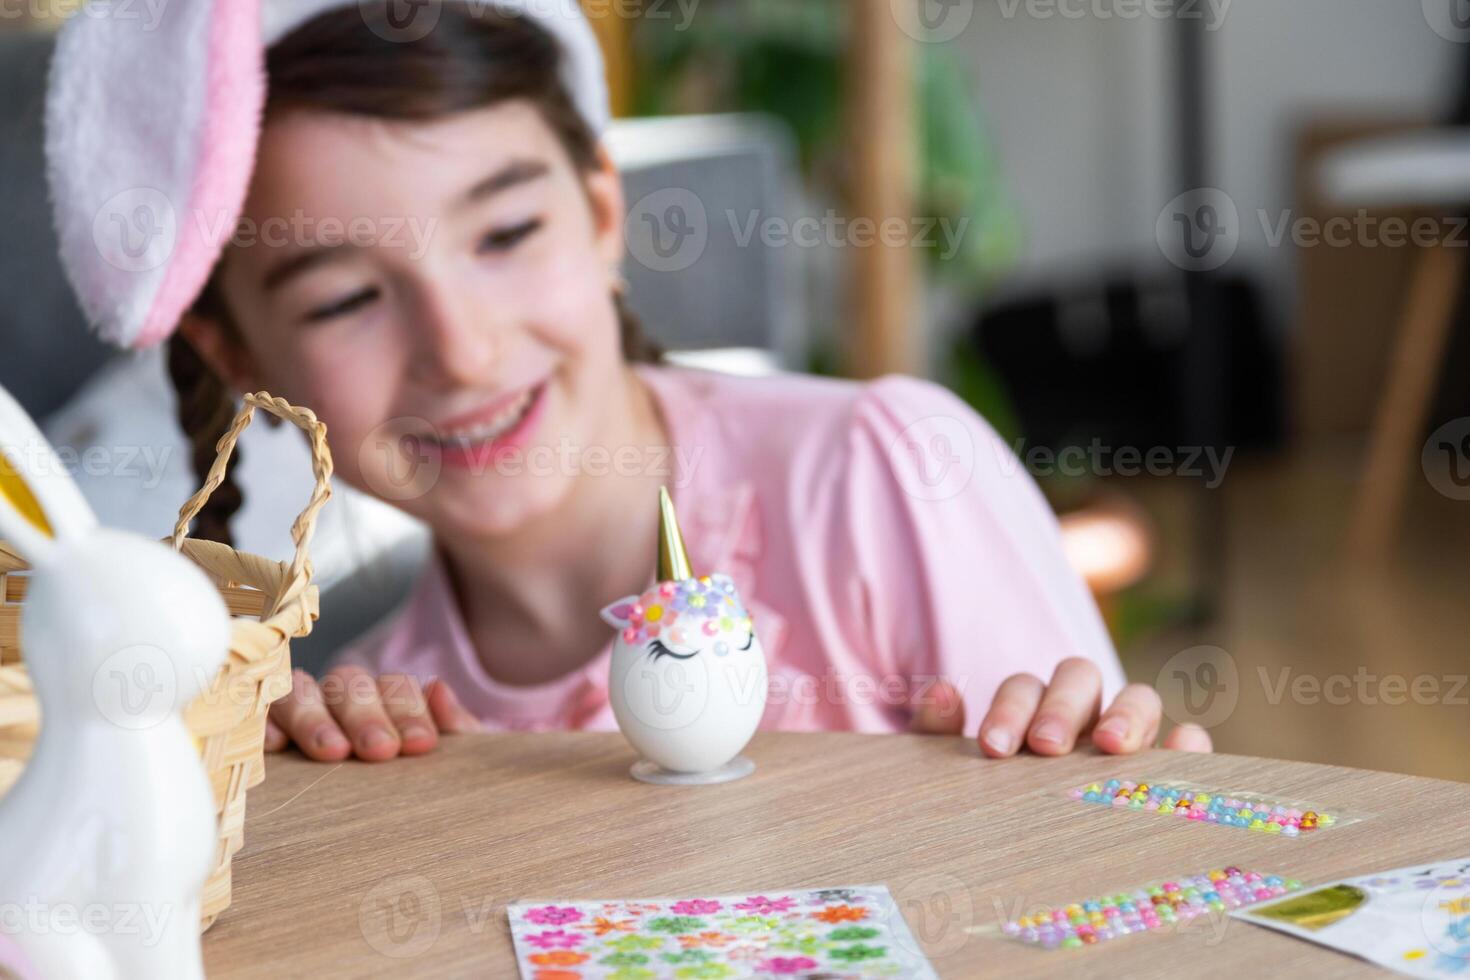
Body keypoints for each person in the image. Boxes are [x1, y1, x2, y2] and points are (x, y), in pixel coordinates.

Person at [63, 2, 1212, 764]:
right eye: (345, 299)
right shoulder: (386, 723)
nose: (461, 349)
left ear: (604, 213)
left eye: (507, 230)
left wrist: (1113, 798)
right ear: (244, 359)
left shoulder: (882, 477)